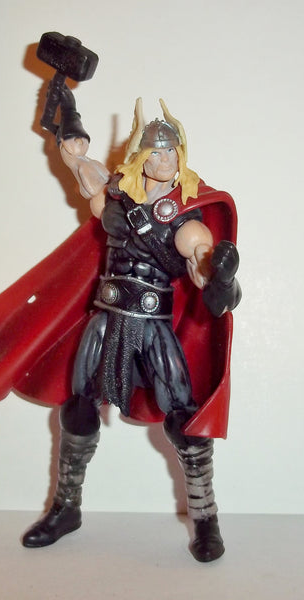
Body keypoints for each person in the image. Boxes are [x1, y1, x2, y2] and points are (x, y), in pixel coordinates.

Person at [21, 89, 241, 562]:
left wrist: (220, 276)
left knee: (184, 420)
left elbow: (201, 262)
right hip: (107, 317)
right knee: (78, 409)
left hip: (153, 326)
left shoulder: (184, 216)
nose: (165, 158)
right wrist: (66, 109)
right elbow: (77, 160)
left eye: (171, 150)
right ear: (141, 154)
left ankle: (205, 518)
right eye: (156, 151)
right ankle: (65, 508)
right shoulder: (116, 195)